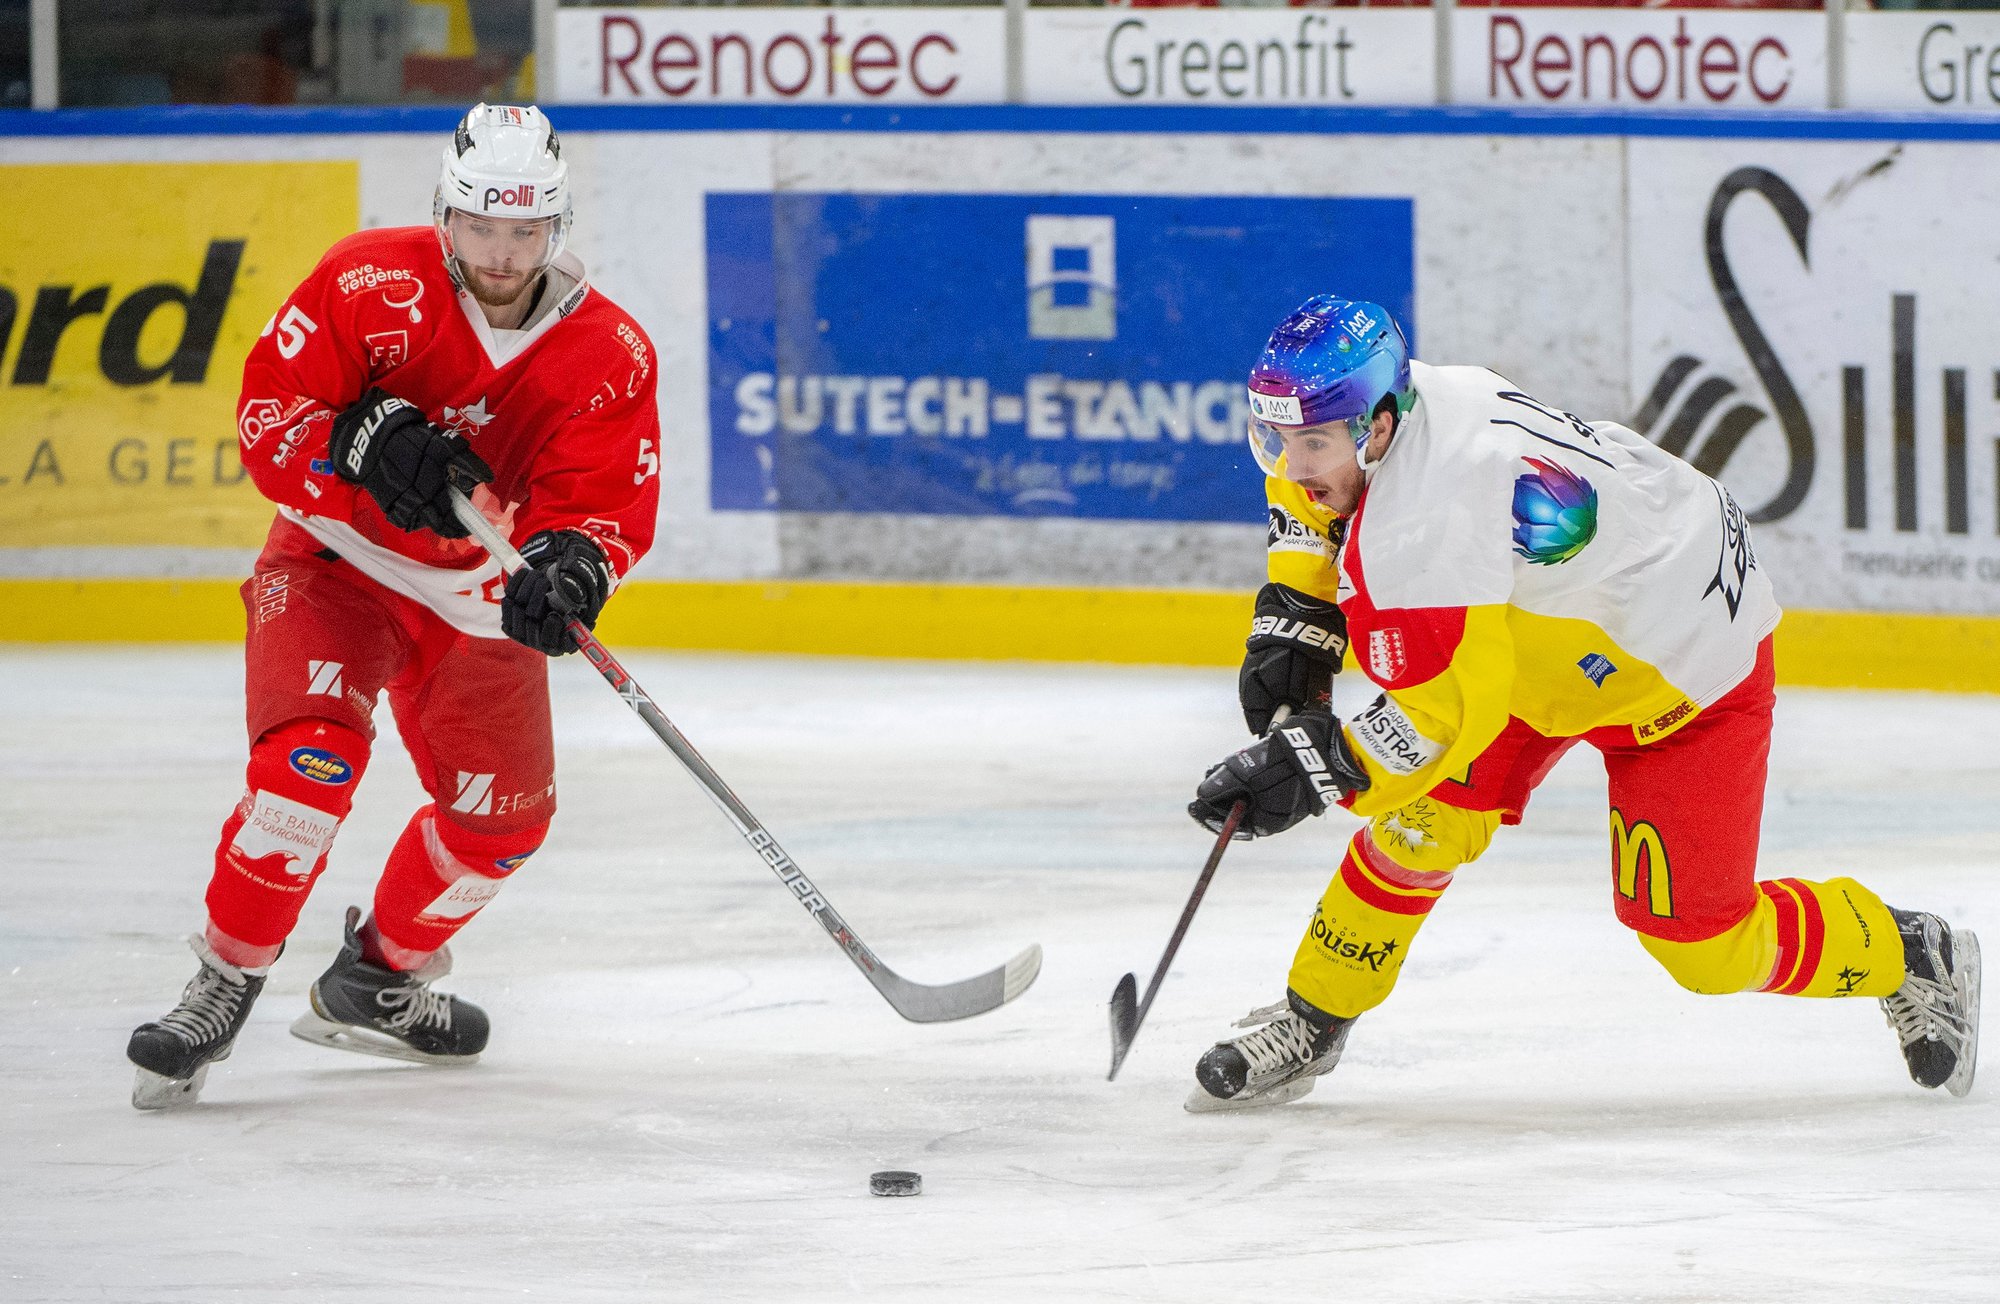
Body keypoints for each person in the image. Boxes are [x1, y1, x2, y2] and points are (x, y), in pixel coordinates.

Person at [1182, 295, 1981, 1111]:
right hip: (1557, 625)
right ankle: (1314, 1017)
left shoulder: (1427, 521)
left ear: (1379, 427)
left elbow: (1438, 724)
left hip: (1680, 668)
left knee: (1704, 947)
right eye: (1275, 437)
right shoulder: (1404, 402)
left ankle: (1907, 950)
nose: (1292, 461)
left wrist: (1310, 770)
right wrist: (1301, 612)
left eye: (1313, 441)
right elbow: (1311, 504)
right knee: (1420, 827)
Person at [125, 103, 662, 1109]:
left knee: (501, 824)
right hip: (337, 564)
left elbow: (604, 503)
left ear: (557, 226)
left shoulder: (611, 353)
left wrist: (576, 568)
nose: (501, 255)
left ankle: (375, 977)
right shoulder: (367, 280)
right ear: (444, 214)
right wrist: (357, 447)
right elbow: (269, 416)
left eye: (524, 231)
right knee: (305, 769)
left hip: (472, 601)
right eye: (479, 227)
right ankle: (226, 976)